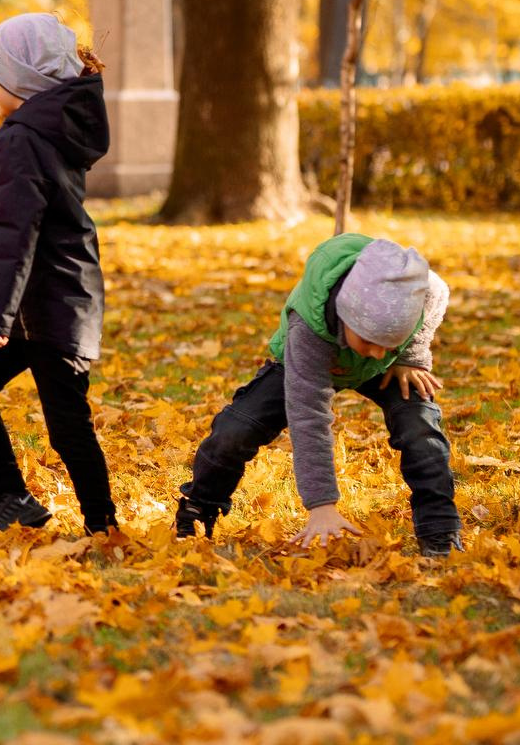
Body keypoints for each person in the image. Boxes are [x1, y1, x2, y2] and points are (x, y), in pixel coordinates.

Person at [174, 234, 461, 556]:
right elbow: (308, 418)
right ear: (346, 316)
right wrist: (321, 504)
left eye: (389, 344)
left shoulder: (422, 290)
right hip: (311, 357)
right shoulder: (307, 331)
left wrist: (408, 356)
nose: (378, 353)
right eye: (370, 342)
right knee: (235, 431)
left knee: (421, 431)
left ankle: (440, 530)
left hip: (394, 370)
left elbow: (438, 294)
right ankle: (198, 509)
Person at [0, 12, 118, 535]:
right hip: (45, 299)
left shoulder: (21, 139)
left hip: (51, 303)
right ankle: (11, 497)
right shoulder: (48, 127)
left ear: (19, 82)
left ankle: (103, 527)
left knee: (67, 427)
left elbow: (14, 234)